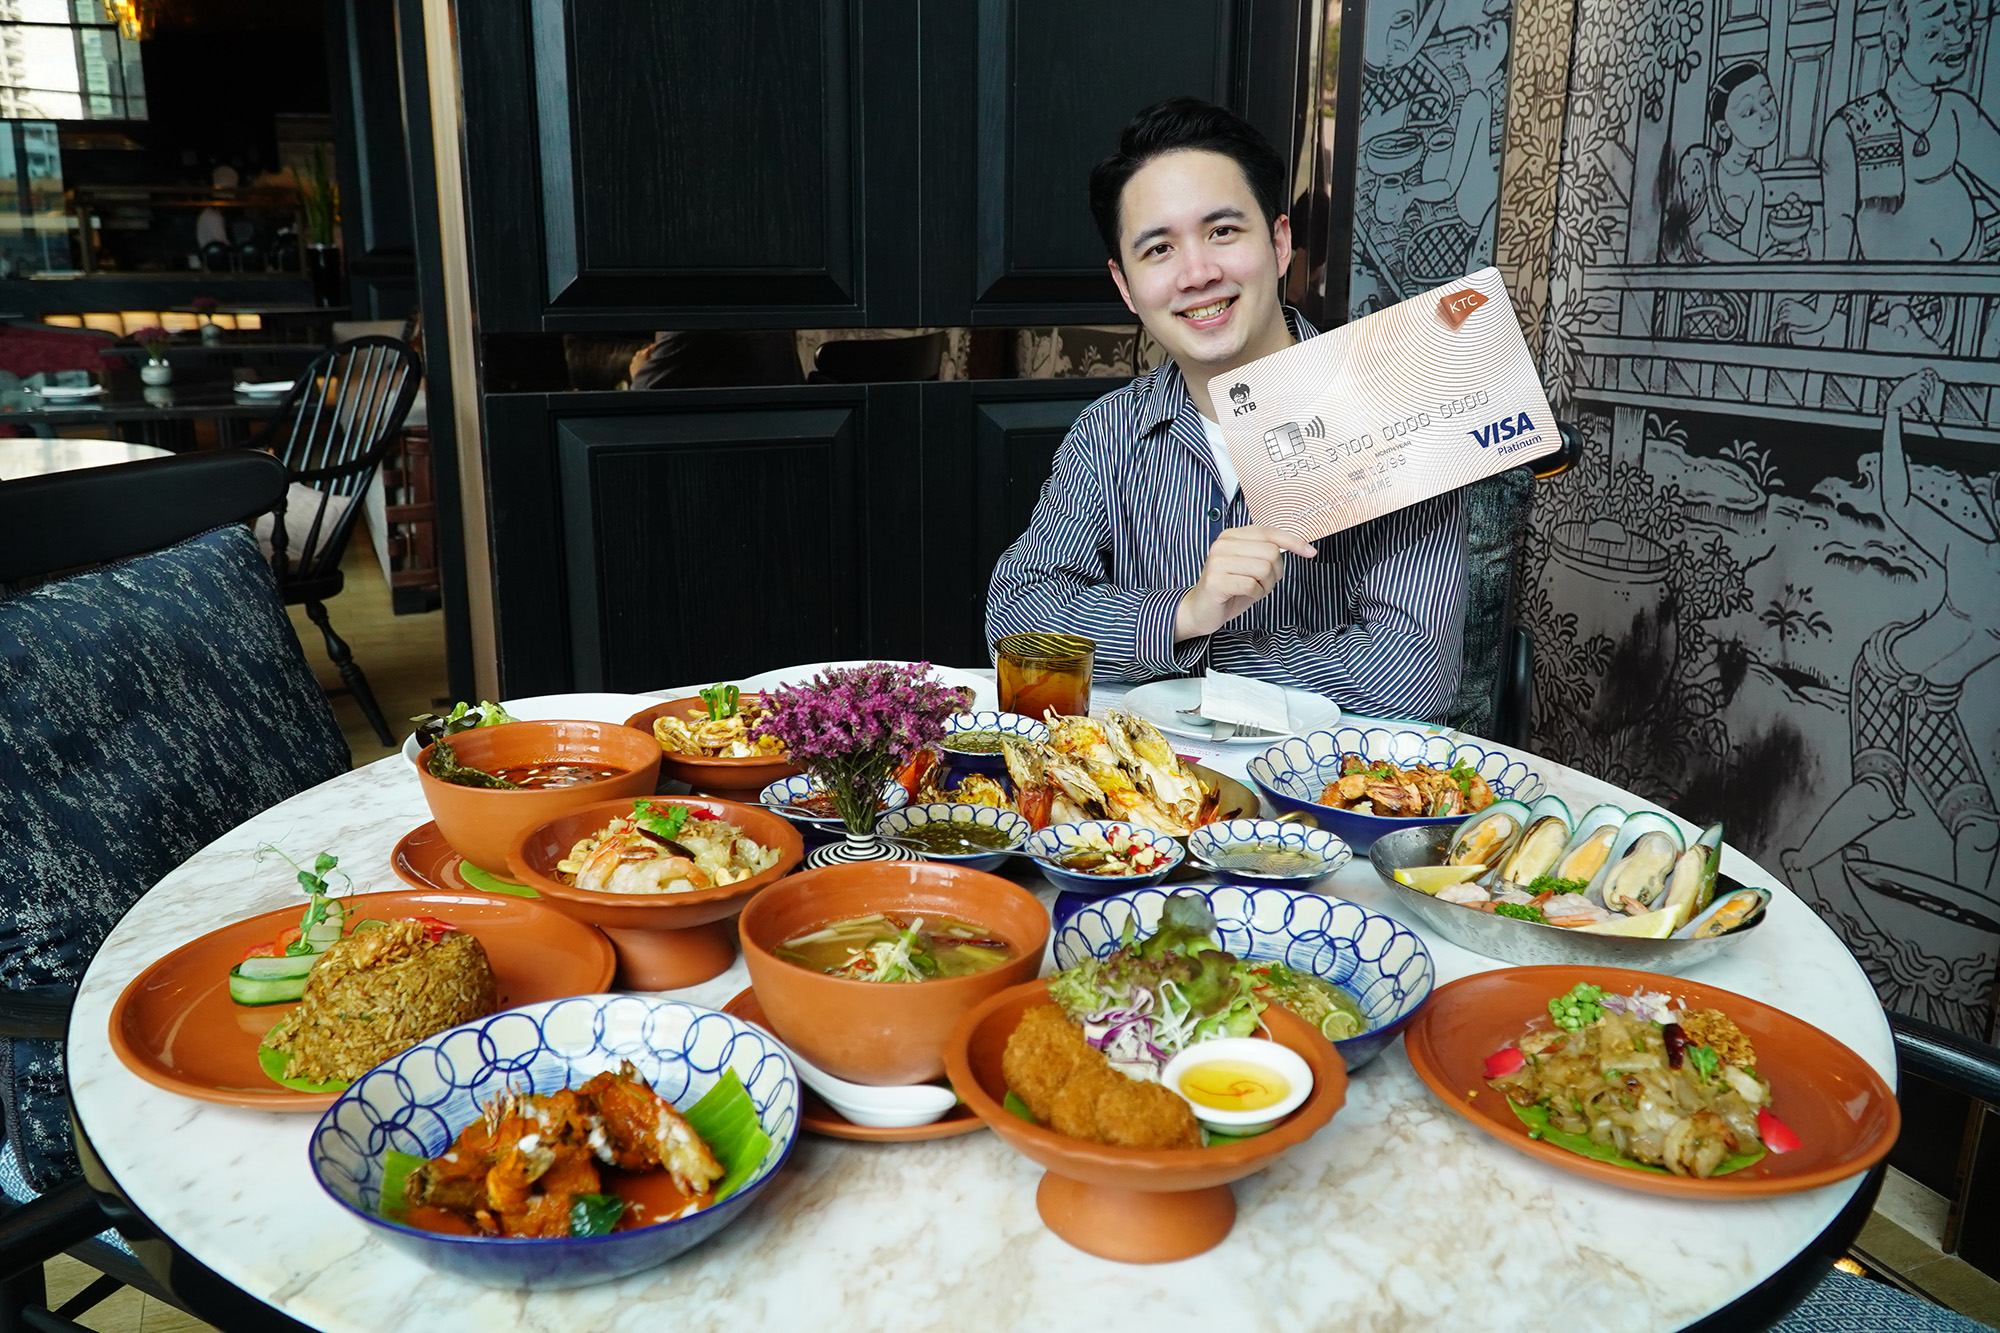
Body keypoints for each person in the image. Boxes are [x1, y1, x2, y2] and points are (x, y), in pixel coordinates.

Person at [984, 98, 1469, 721]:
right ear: (1125, 286)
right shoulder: (1108, 430)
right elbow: (1017, 622)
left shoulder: (1398, 407)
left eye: (1222, 232)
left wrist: (1188, 654)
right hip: (1147, 776)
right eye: (1158, 249)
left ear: (1280, 242)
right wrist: (1183, 614)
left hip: (1322, 777)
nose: (1197, 273)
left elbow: (1411, 675)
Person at [1781, 369, 2000, 896]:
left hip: (1934, 703)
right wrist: (1895, 411)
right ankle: (1800, 865)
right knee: (1877, 796)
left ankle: (1960, 911)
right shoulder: (1973, 554)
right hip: (1886, 674)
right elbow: (1898, 504)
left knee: (1980, 829)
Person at [1661, 62, 1783, 264]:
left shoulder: (1754, 185)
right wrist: (1758, 263)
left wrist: (1758, 264)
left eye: (1767, 99)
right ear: (1723, 129)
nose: (1766, 114)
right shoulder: (1697, 162)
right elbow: (1700, 241)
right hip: (1679, 275)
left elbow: (1746, 256)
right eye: (1748, 111)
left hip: (1721, 278)